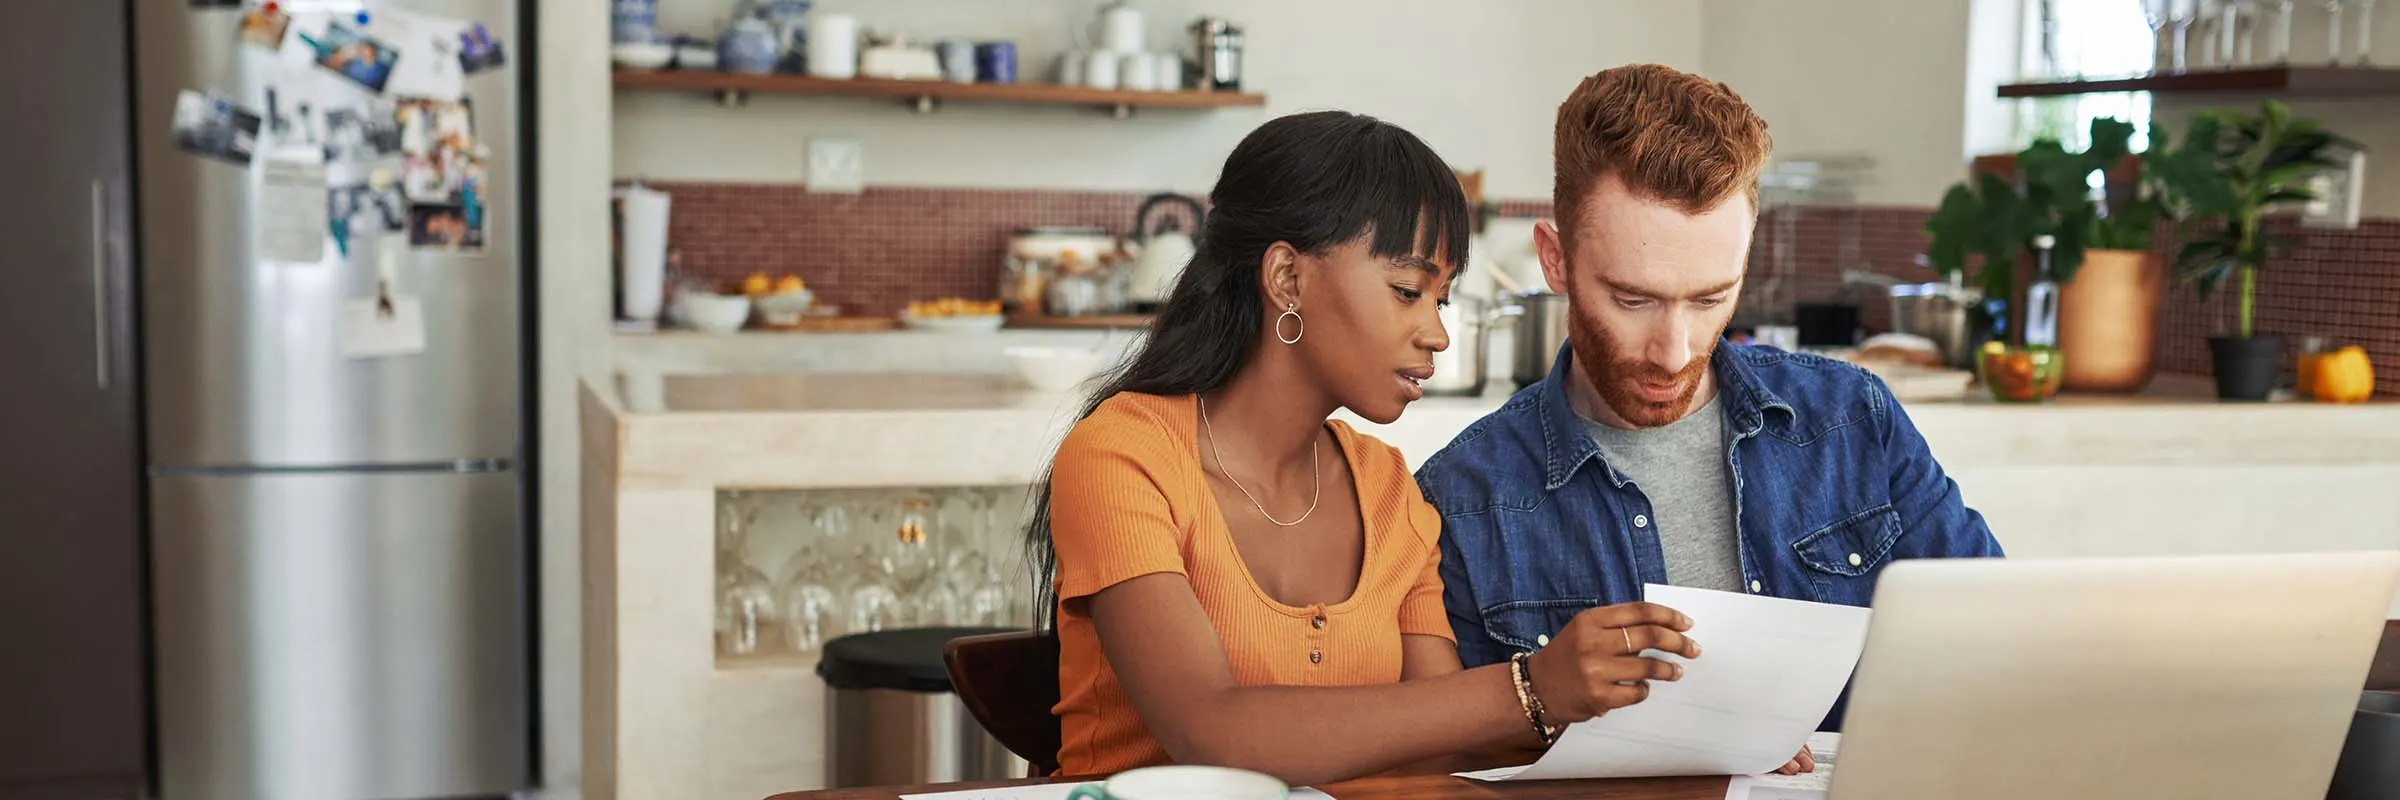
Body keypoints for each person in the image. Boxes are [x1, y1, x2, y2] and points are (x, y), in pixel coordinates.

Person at [1024, 110, 1709, 786]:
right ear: (1288, 279)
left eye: (1440, 300)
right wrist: (1530, 686)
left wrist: (1690, 738)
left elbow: (1443, 742)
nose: (1436, 334)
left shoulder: (1387, 488)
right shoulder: (1124, 456)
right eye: (1408, 290)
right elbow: (1210, 732)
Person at [1413, 64, 2004, 741]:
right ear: (1555, 259)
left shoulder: (1852, 419)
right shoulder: (1459, 499)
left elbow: (1991, 639)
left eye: (1709, 299)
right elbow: (1455, 760)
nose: (1673, 349)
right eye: (1632, 300)